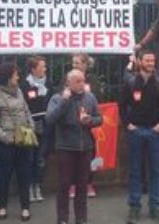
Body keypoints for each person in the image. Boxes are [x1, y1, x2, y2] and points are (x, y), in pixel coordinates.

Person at [46, 69, 104, 224]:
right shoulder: (57, 98)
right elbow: (50, 119)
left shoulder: (90, 97)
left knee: (82, 184)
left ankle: (81, 219)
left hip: (85, 147)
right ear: (68, 83)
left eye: (83, 81)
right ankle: (63, 219)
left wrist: (90, 120)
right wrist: (65, 101)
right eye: (77, 81)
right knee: (64, 184)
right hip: (66, 148)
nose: (81, 84)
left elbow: (100, 119)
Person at [120, 50, 159, 224]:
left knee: (155, 171)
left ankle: (155, 207)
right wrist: (128, 125)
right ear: (140, 61)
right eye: (147, 60)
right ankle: (134, 207)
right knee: (135, 171)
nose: (151, 63)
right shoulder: (131, 82)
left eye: (153, 60)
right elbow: (122, 106)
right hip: (136, 132)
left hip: (154, 132)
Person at [0, 62, 34, 221]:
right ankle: (2, 206)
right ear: (8, 77)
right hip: (7, 142)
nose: (18, 77)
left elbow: (26, 110)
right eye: (15, 74)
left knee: (24, 174)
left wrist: (31, 126)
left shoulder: (20, 91)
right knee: (5, 176)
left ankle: (25, 207)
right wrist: (4, 137)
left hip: (24, 139)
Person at [71, 53, 103, 198]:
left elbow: (98, 98)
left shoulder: (93, 80)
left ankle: (89, 183)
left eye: (77, 63)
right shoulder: (68, 78)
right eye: (73, 63)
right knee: (72, 157)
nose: (74, 66)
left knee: (91, 155)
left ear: (85, 65)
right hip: (72, 125)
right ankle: (73, 185)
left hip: (90, 126)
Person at [21, 55, 53, 203]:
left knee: (41, 158)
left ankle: (37, 185)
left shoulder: (49, 84)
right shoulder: (25, 85)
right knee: (29, 158)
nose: (45, 69)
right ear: (33, 69)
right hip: (30, 126)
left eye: (45, 66)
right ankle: (28, 186)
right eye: (42, 66)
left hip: (45, 125)